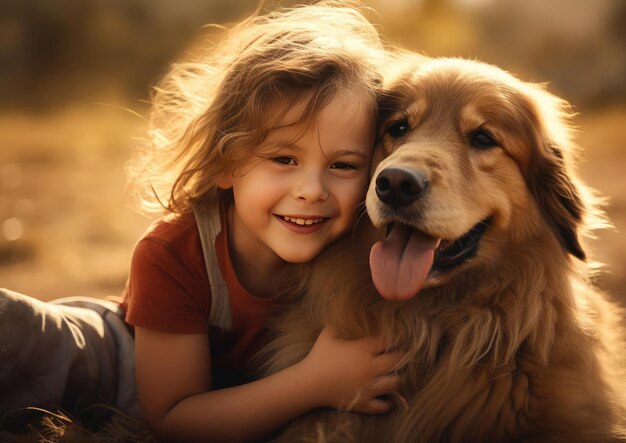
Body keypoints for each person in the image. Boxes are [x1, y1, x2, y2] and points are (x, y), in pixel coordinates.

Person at [0, 1, 402, 441]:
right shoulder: (172, 252)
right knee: (19, 332)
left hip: (236, 394)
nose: (312, 190)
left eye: (344, 166)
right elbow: (174, 418)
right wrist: (314, 383)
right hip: (120, 360)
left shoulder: (356, 254)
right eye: (283, 158)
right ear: (226, 163)